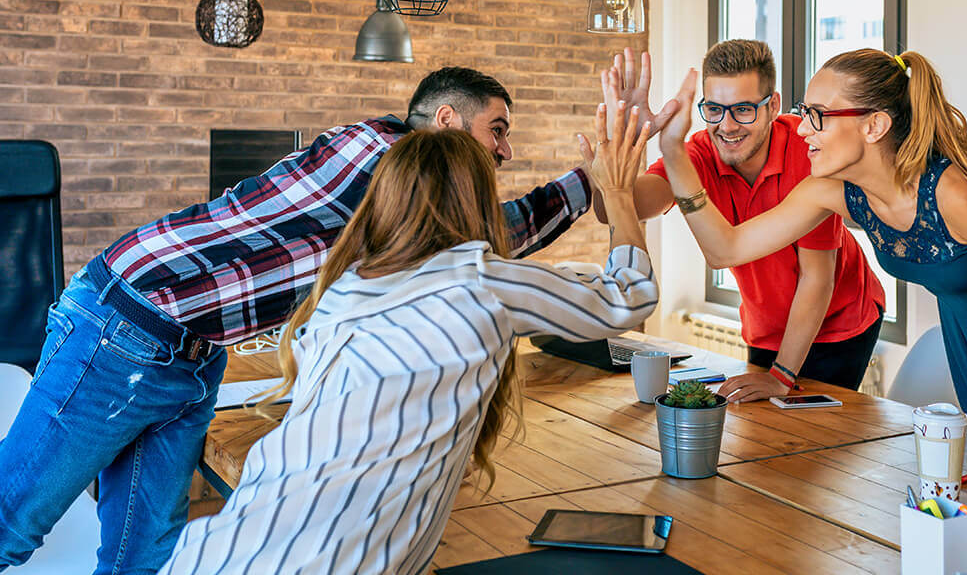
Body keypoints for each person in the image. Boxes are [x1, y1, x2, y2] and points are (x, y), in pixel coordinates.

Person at [0, 66, 598, 574]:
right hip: (125, 326)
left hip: (192, 352)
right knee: (13, 520)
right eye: (498, 130)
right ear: (445, 120)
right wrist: (594, 184)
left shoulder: (385, 171)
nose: (505, 151)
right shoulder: (378, 154)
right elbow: (485, 237)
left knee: (145, 554)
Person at [157, 103, 657, 575]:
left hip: (218, 552)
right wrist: (614, 193)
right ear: (476, 201)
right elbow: (630, 295)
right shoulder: (480, 281)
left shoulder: (345, 288)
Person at [655, 48, 967, 479]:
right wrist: (674, 151)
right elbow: (726, 249)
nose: (802, 129)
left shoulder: (957, 195)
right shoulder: (834, 193)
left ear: (875, 125)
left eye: (817, 115)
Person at [598, 43, 884, 400]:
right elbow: (616, 206)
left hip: (840, 322)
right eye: (715, 110)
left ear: (773, 107)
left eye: (744, 110)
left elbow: (818, 278)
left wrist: (782, 375)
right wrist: (622, 142)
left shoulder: (808, 151)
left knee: (816, 443)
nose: (727, 125)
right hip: (767, 326)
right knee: (762, 431)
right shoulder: (699, 154)